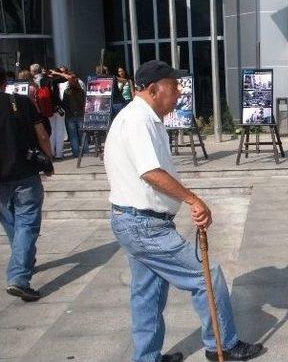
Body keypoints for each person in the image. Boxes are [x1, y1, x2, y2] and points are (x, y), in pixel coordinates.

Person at [104, 60, 263, 362]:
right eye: (173, 87)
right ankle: (223, 345)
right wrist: (192, 199)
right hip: (143, 224)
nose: (179, 93)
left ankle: (147, 358)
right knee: (207, 276)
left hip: (135, 220)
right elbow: (150, 171)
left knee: (147, 295)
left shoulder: (138, 117)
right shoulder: (139, 121)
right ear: (153, 89)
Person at [0, 71, 53, 302]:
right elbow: (41, 134)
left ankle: (25, 262)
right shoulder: (19, 102)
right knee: (27, 224)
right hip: (24, 173)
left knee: (13, 224)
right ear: (5, 83)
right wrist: (48, 160)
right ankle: (19, 277)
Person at [62, 75, 87, 158]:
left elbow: (64, 104)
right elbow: (84, 103)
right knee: (82, 134)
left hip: (70, 116)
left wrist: (71, 112)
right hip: (80, 115)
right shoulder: (81, 91)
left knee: (73, 136)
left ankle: (76, 153)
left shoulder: (66, 92)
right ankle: (85, 151)